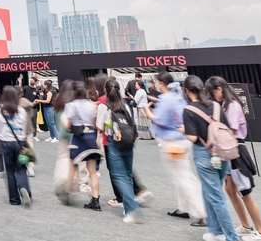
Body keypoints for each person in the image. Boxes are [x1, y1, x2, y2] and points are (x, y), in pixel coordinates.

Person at [181, 75, 245, 241]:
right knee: (209, 190)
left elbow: (192, 137)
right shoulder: (216, 106)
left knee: (216, 196)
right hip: (223, 153)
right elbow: (226, 128)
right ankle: (216, 231)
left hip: (204, 155)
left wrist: (183, 130)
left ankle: (233, 240)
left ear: (187, 91)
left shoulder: (188, 110)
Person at [206, 76, 261, 241]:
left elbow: (232, 130)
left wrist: (214, 137)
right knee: (230, 190)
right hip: (228, 151)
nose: (212, 96)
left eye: (212, 92)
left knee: (245, 192)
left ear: (219, 89)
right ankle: (246, 226)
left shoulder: (232, 105)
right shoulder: (224, 105)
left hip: (236, 151)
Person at [145, 71, 206, 225]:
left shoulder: (166, 99)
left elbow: (160, 120)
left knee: (183, 178)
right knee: (181, 176)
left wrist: (147, 111)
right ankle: (183, 208)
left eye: (156, 81)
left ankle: (202, 212)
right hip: (181, 140)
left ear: (161, 82)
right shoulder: (177, 96)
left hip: (172, 143)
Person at [98, 78, 144, 223]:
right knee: (128, 175)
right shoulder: (125, 105)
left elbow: (100, 126)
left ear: (106, 90)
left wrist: (108, 124)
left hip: (114, 142)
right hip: (128, 142)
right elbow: (131, 123)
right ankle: (129, 206)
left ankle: (132, 210)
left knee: (119, 176)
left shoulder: (104, 106)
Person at [62, 80, 103, 210]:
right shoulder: (91, 105)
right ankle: (96, 200)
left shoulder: (70, 105)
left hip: (78, 139)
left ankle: (68, 194)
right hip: (90, 137)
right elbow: (94, 124)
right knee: (92, 171)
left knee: (73, 167)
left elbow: (67, 125)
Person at [0, 86, 32, 208]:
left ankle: (14, 199)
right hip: (19, 142)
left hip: (5, 143)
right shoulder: (21, 110)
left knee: (9, 171)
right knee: (21, 168)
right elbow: (24, 127)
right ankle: (24, 188)